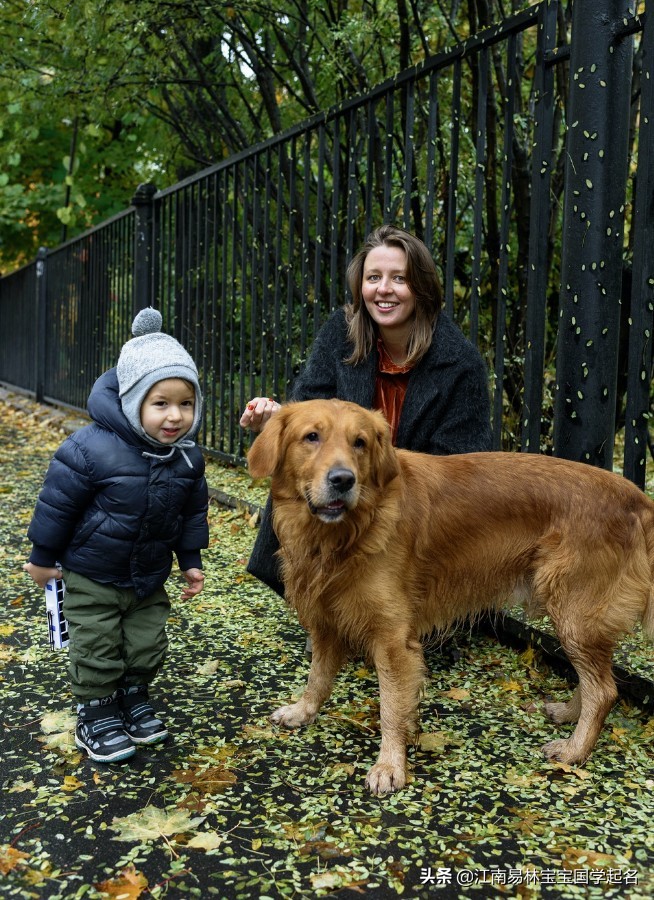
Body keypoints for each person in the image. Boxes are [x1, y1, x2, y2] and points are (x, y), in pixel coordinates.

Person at [240, 224, 492, 599]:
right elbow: (308, 405)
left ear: (422, 288)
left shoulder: (461, 363)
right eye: (373, 277)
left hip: (414, 508)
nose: (384, 289)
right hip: (342, 486)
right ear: (361, 285)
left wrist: (380, 465)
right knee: (313, 470)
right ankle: (323, 599)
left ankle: (414, 603)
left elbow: (459, 469)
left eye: (399, 278)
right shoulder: (339, 333)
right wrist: (279, 417)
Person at [25, 308, 209, 764]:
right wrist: (43, 556)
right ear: (132, 401)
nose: (175, 416)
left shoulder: (187, 459)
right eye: (160, 403)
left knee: (146, 643)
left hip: (147, 575)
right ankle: (97, 710)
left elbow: (191, 513)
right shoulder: (89, 449)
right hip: (91, 572)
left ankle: (131, 695)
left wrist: (190, 560)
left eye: (185, 403)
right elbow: (58, 503)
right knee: (98, 644)